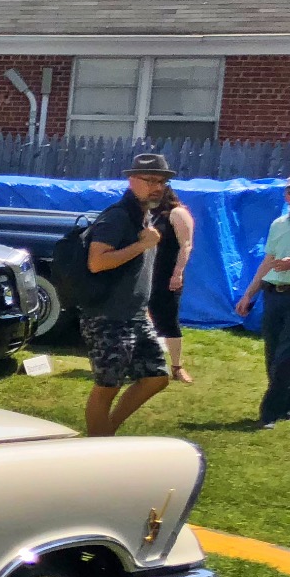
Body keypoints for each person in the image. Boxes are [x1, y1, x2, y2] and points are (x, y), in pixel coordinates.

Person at [80, 153, 175, 438]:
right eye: (150, 180)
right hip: (108, 317)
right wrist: (142, 245)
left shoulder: (143, 216)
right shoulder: (117, 216)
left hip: (135, 316)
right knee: (107, 387)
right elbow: (97, 262)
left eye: (161, 182)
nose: (157, 187)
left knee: (156, 377)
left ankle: (105, 433)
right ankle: (98, 447)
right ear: (132, 180)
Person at [233, 178, 290, 430]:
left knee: (286, 355)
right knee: (273, 352)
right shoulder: (279, 224)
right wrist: (249, 294)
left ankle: (269, 413)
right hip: (274, 294)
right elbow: (268, 261)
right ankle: (285, 405)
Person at [148, 181, 196, 384]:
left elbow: (186, 245)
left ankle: (177, 367)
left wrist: (178, 273)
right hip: (149, 274)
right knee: (144, 318)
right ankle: (145, 363)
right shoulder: (152, 215)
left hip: (168, 274)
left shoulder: (177, 213)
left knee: (168, 318)